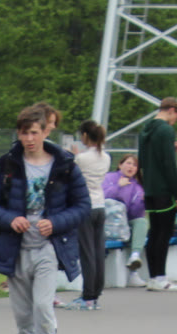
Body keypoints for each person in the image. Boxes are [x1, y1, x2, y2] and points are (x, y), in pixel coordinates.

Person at [0, 106, 89, 334]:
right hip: (15, 249)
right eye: (24, 132)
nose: (29, 138)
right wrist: (9, 218)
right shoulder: (7, 165)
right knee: (24, 318)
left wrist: (55, 222)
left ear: (45, 132)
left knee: (43, 308)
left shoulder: (65, 165)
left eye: (34, 132)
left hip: (47, 248)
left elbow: (81, 206)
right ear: (18, 134)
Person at [136, 96, 177, 292]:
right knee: (164, 232)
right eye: (176, 117)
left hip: (150, 188)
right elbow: (168, 164)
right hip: (164, 189)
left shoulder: (145, 130)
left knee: (154, 232)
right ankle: (161, 277)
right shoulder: (166, 130)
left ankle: (153, 276)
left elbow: (148, 158)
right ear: (172, 110)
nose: (174, 121)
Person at [66, 119, 111, 310]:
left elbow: (72, 174)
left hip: (85, 206)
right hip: (100, 205)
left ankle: (88, 295)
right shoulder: (106, 157)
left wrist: (74, 155)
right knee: (98, 251)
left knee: (87, 253)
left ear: (85, 136)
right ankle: (96, 293)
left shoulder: (82, 158)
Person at [103, 151, 145, 272]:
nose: (131, 167)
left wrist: (142, 203)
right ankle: (133, 274)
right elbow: (101, 196)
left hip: (122, 224)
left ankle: (135, 256)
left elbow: (133, 214)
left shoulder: (137, 187)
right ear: (120, 165)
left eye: (134, 165)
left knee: (141, 222)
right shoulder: (109, 177)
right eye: (128, 163)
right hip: (105, 220)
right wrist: (118, 187)